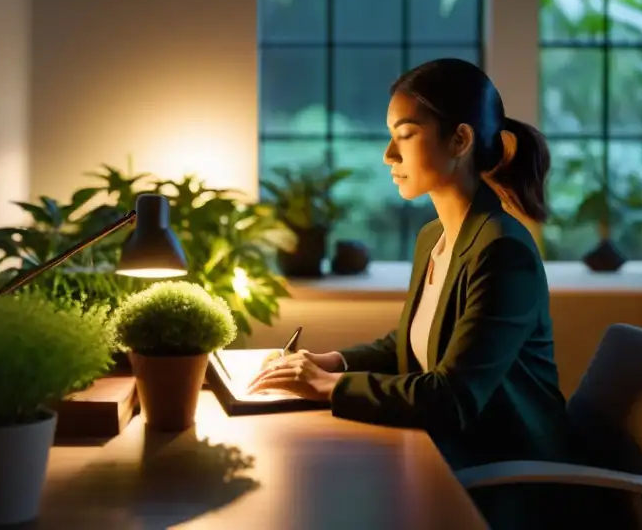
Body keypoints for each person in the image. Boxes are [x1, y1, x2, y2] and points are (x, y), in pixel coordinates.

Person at [248, 58, 591, 528]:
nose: (389, 154)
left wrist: (326, 387)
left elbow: (452, 398)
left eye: (405, 134)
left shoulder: (502, 250)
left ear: (460, 140)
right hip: (453, 454)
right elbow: (410, 345)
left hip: (507, 477)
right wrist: (332, 363)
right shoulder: (435, 237)